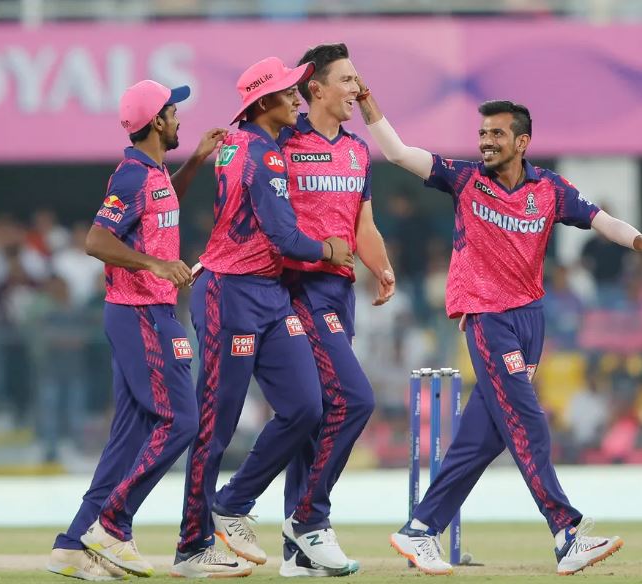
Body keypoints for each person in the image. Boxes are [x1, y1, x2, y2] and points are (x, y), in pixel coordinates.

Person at [355, 92, 642, 575]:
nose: (486, 141)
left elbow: (601, 220)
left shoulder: (548, 189)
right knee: (529, 421)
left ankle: (420, 529)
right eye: (482, 133)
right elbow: (399, 153)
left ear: (522, 142)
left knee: (483, 440)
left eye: (497, 134)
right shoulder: (464, 178)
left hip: (530, 320)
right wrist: (368, 105)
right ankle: (566, 532)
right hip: (489, 319)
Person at [173, 57, 354, 578]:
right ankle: (191, 546)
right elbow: (284, 237)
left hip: (269, 294)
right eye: (288, 92)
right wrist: (329, 250)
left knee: (306, 407)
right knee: (217, 423)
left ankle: (233, 501)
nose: (298, 98)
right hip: (230, 294)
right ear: (262, 103)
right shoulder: (261, 153)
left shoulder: (242, 141)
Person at [47, 79, 226, 581]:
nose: (179, 117)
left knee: (128, 439)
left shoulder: (154, 172)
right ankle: (113, 525)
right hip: (142, 312)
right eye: (172, 111)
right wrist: (156, 265)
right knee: (181, 420)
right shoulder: (130, 175)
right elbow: (95, 240)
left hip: (143, 311)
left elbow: (163, 203)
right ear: (156, 122)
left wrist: (196, 161)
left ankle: (72, 546)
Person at [279, 42, 394, 576]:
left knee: (318, 417)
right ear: (316, 88)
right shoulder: (284, 142)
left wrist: (381, 266)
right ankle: (309, 519)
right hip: (299, 289)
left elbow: (362, 223)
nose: (358, 88)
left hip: (340, 294)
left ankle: (297, 555)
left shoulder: (357, 151)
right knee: (355, 400)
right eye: (347, 79)